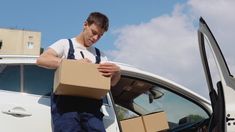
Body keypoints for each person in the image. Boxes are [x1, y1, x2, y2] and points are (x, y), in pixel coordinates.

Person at [37, 12, 121, 132]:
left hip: (92, 109)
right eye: (94, 32)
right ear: (85, 25)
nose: (96, 38)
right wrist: (73, 65)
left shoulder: (100, 55)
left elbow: (111, 83)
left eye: (100, 36)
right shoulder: (65, 44)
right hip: (66, 107)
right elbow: (42, 59)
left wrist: (117, 72)